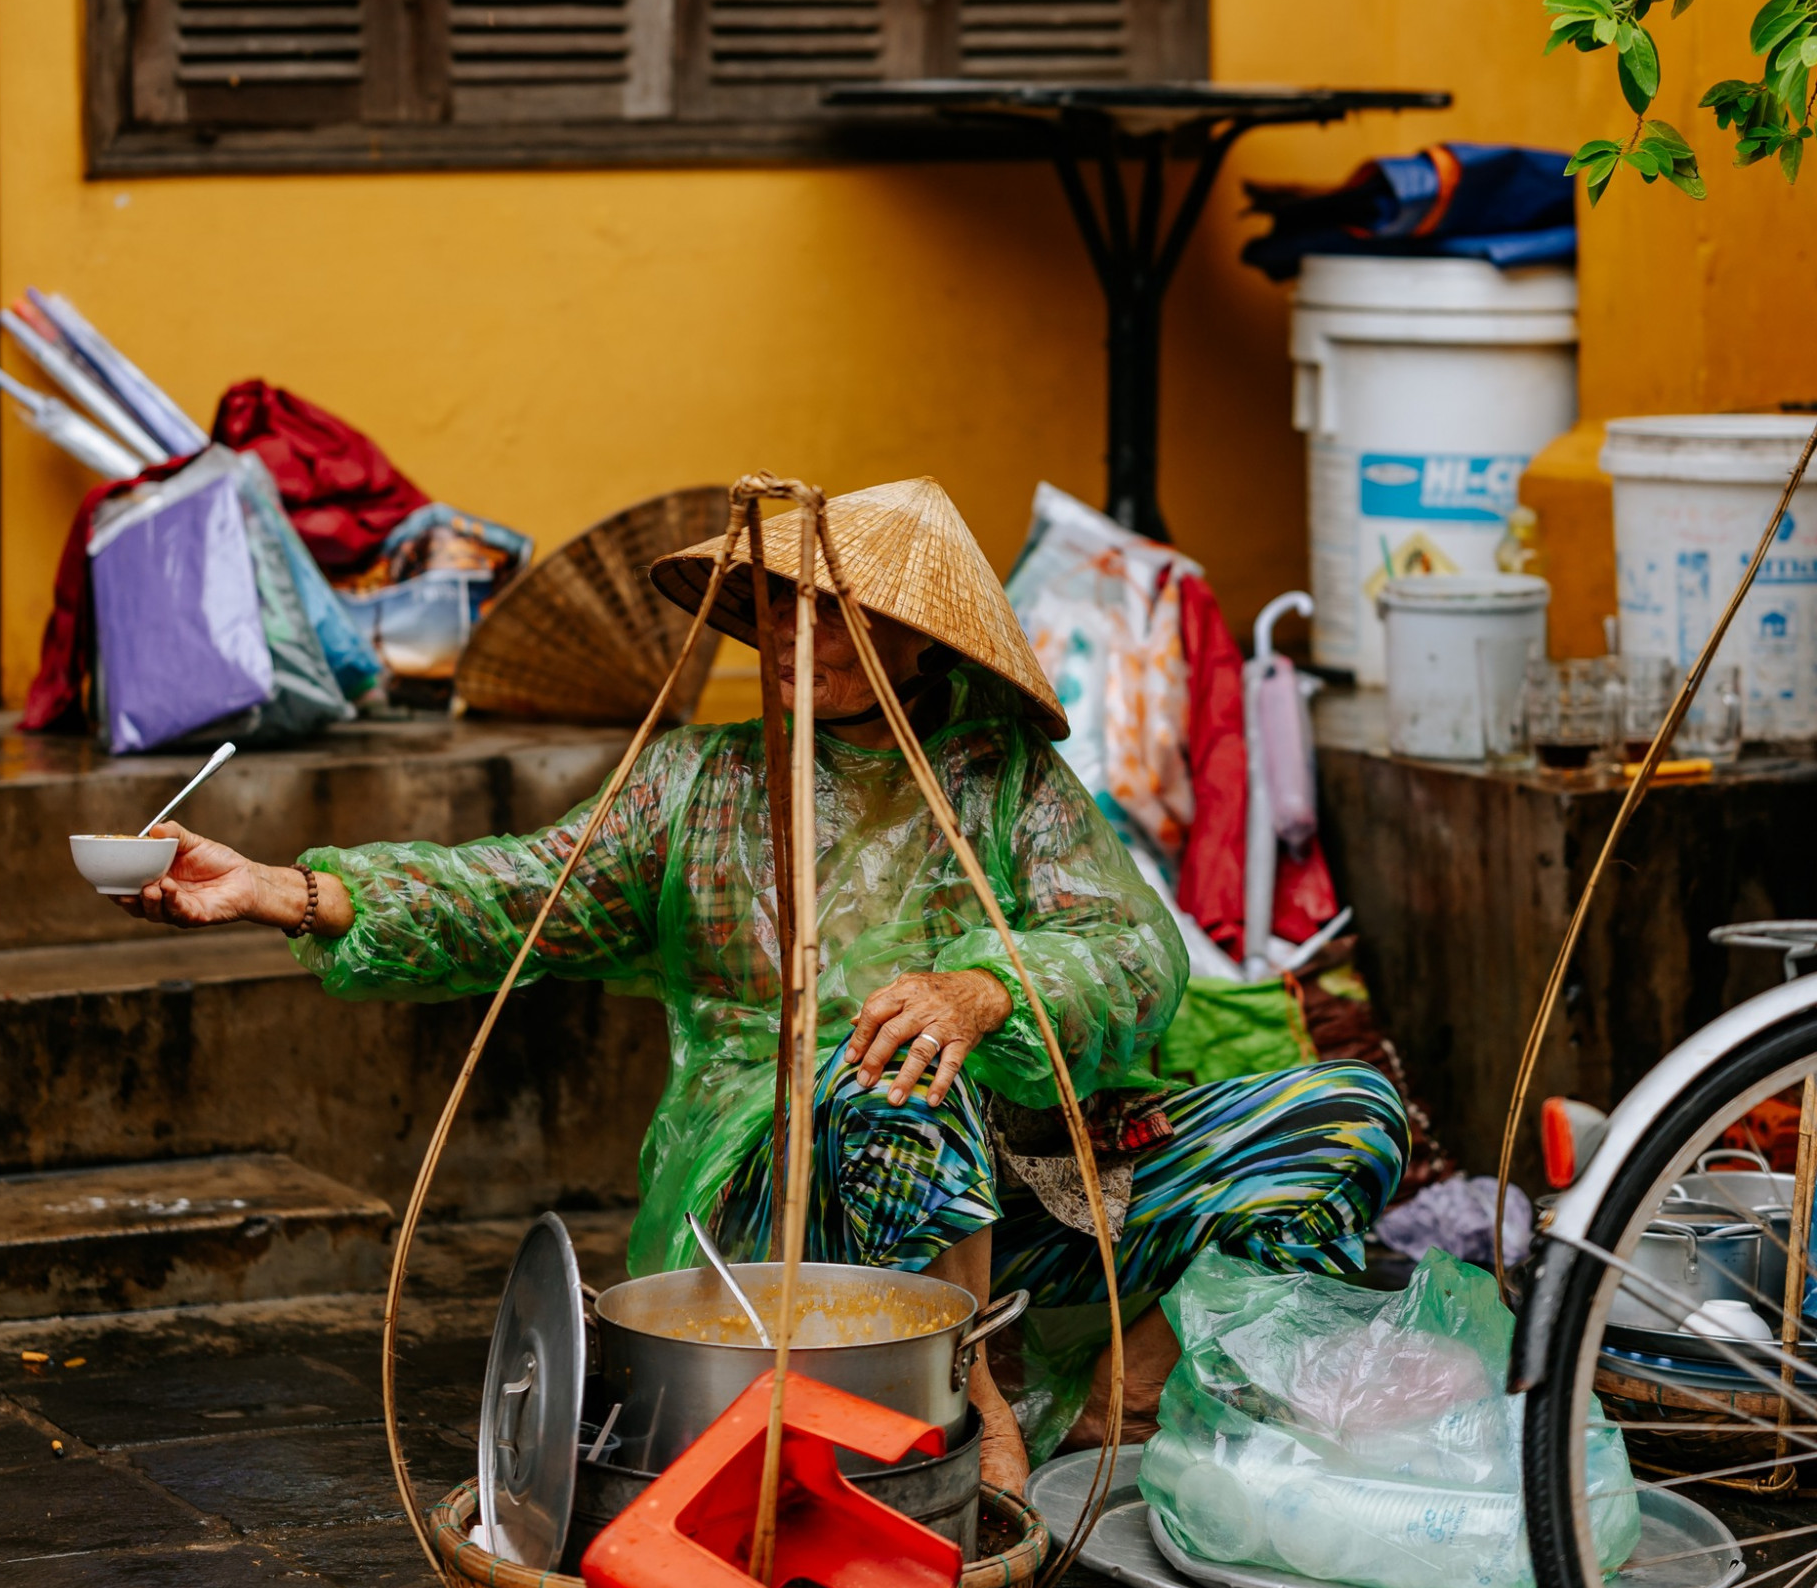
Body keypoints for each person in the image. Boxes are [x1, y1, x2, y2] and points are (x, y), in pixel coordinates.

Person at [120, 479, 1408, 1495]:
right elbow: (519, 890)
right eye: (784, 611)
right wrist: (284, 888)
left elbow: (1136, 953)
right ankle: (965, 1401)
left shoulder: (1004, 780)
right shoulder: (696, 783)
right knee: (886, 1076)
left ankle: (1163, 1394)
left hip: (1026, 1164)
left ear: (918, 644)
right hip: (780, 1197)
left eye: (843, 617)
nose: (802, 640)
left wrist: (986, 989)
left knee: (1345, 1112)